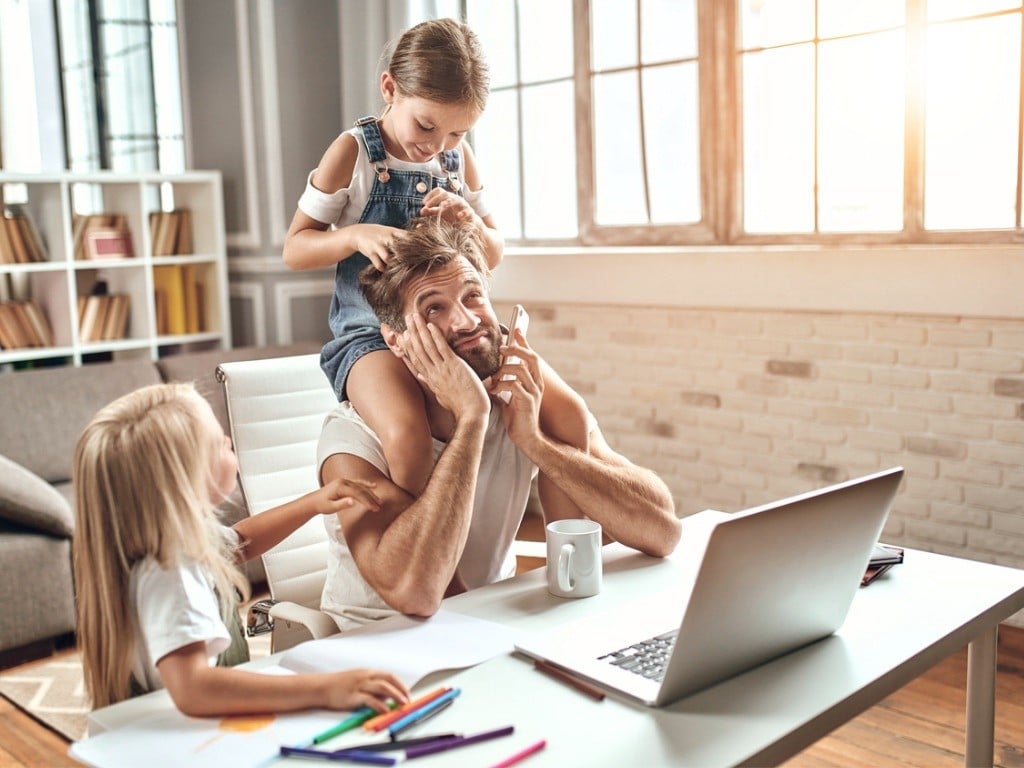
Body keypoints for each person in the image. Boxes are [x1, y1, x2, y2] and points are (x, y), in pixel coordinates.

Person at [316, 218, 681, 630]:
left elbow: (662, 531)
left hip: (488, 626)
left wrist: (537, 443)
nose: (467, 322)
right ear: (397, 340)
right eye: (434, 308)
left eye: (472, 297)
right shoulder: (353, 441)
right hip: (376, 644)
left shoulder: (523, 401)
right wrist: (472, 418)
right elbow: (415, 593)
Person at [72, 382, 409, 716]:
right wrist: (327, 689)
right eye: (219, 443)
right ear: (185, 478)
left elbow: (237, 543)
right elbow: (194, 689)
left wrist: (314, 502)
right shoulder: (171, 570)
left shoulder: (171, 538)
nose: (229, 442)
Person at [282, 18, 502, 498]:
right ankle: (409, 558)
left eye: (456, 133)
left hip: (447, 327)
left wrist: (469, 220)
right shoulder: (353, 152)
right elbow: (295, 248)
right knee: (408, 438)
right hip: (370, 335)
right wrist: (354, 235)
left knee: (552, 411)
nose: (436, 145)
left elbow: (495, 252)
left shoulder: (457, 162)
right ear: (390, 88)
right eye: (426, 125)